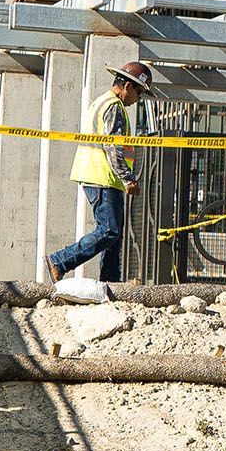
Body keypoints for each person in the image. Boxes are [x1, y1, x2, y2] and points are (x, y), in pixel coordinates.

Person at [47, 60, 152, 284]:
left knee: (114, 237)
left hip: (102, 177)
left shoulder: (101, 102)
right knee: (109, 231)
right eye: (139, 92)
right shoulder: (114, 106)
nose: (138, 99)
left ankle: (110, 283)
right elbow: (112, 146)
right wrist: (128, 178)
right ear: (128, 86)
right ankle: (60, 261)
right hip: (102, 176)